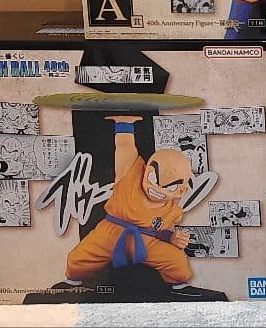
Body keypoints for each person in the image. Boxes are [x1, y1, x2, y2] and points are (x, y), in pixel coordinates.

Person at [62, 116, 204, 298]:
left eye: (169, 187)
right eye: (153, 179)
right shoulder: (130, 176)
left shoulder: (173, 211)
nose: (156, 189)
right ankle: (72, 284)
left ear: (181, 191)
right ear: (146, 171)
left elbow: (161, 232)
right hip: (110, 233)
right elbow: (125, 148)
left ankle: (180, 288)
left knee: (177, 262)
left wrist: (172, 238)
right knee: (76, 259)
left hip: (146, 242)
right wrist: (124, 124)